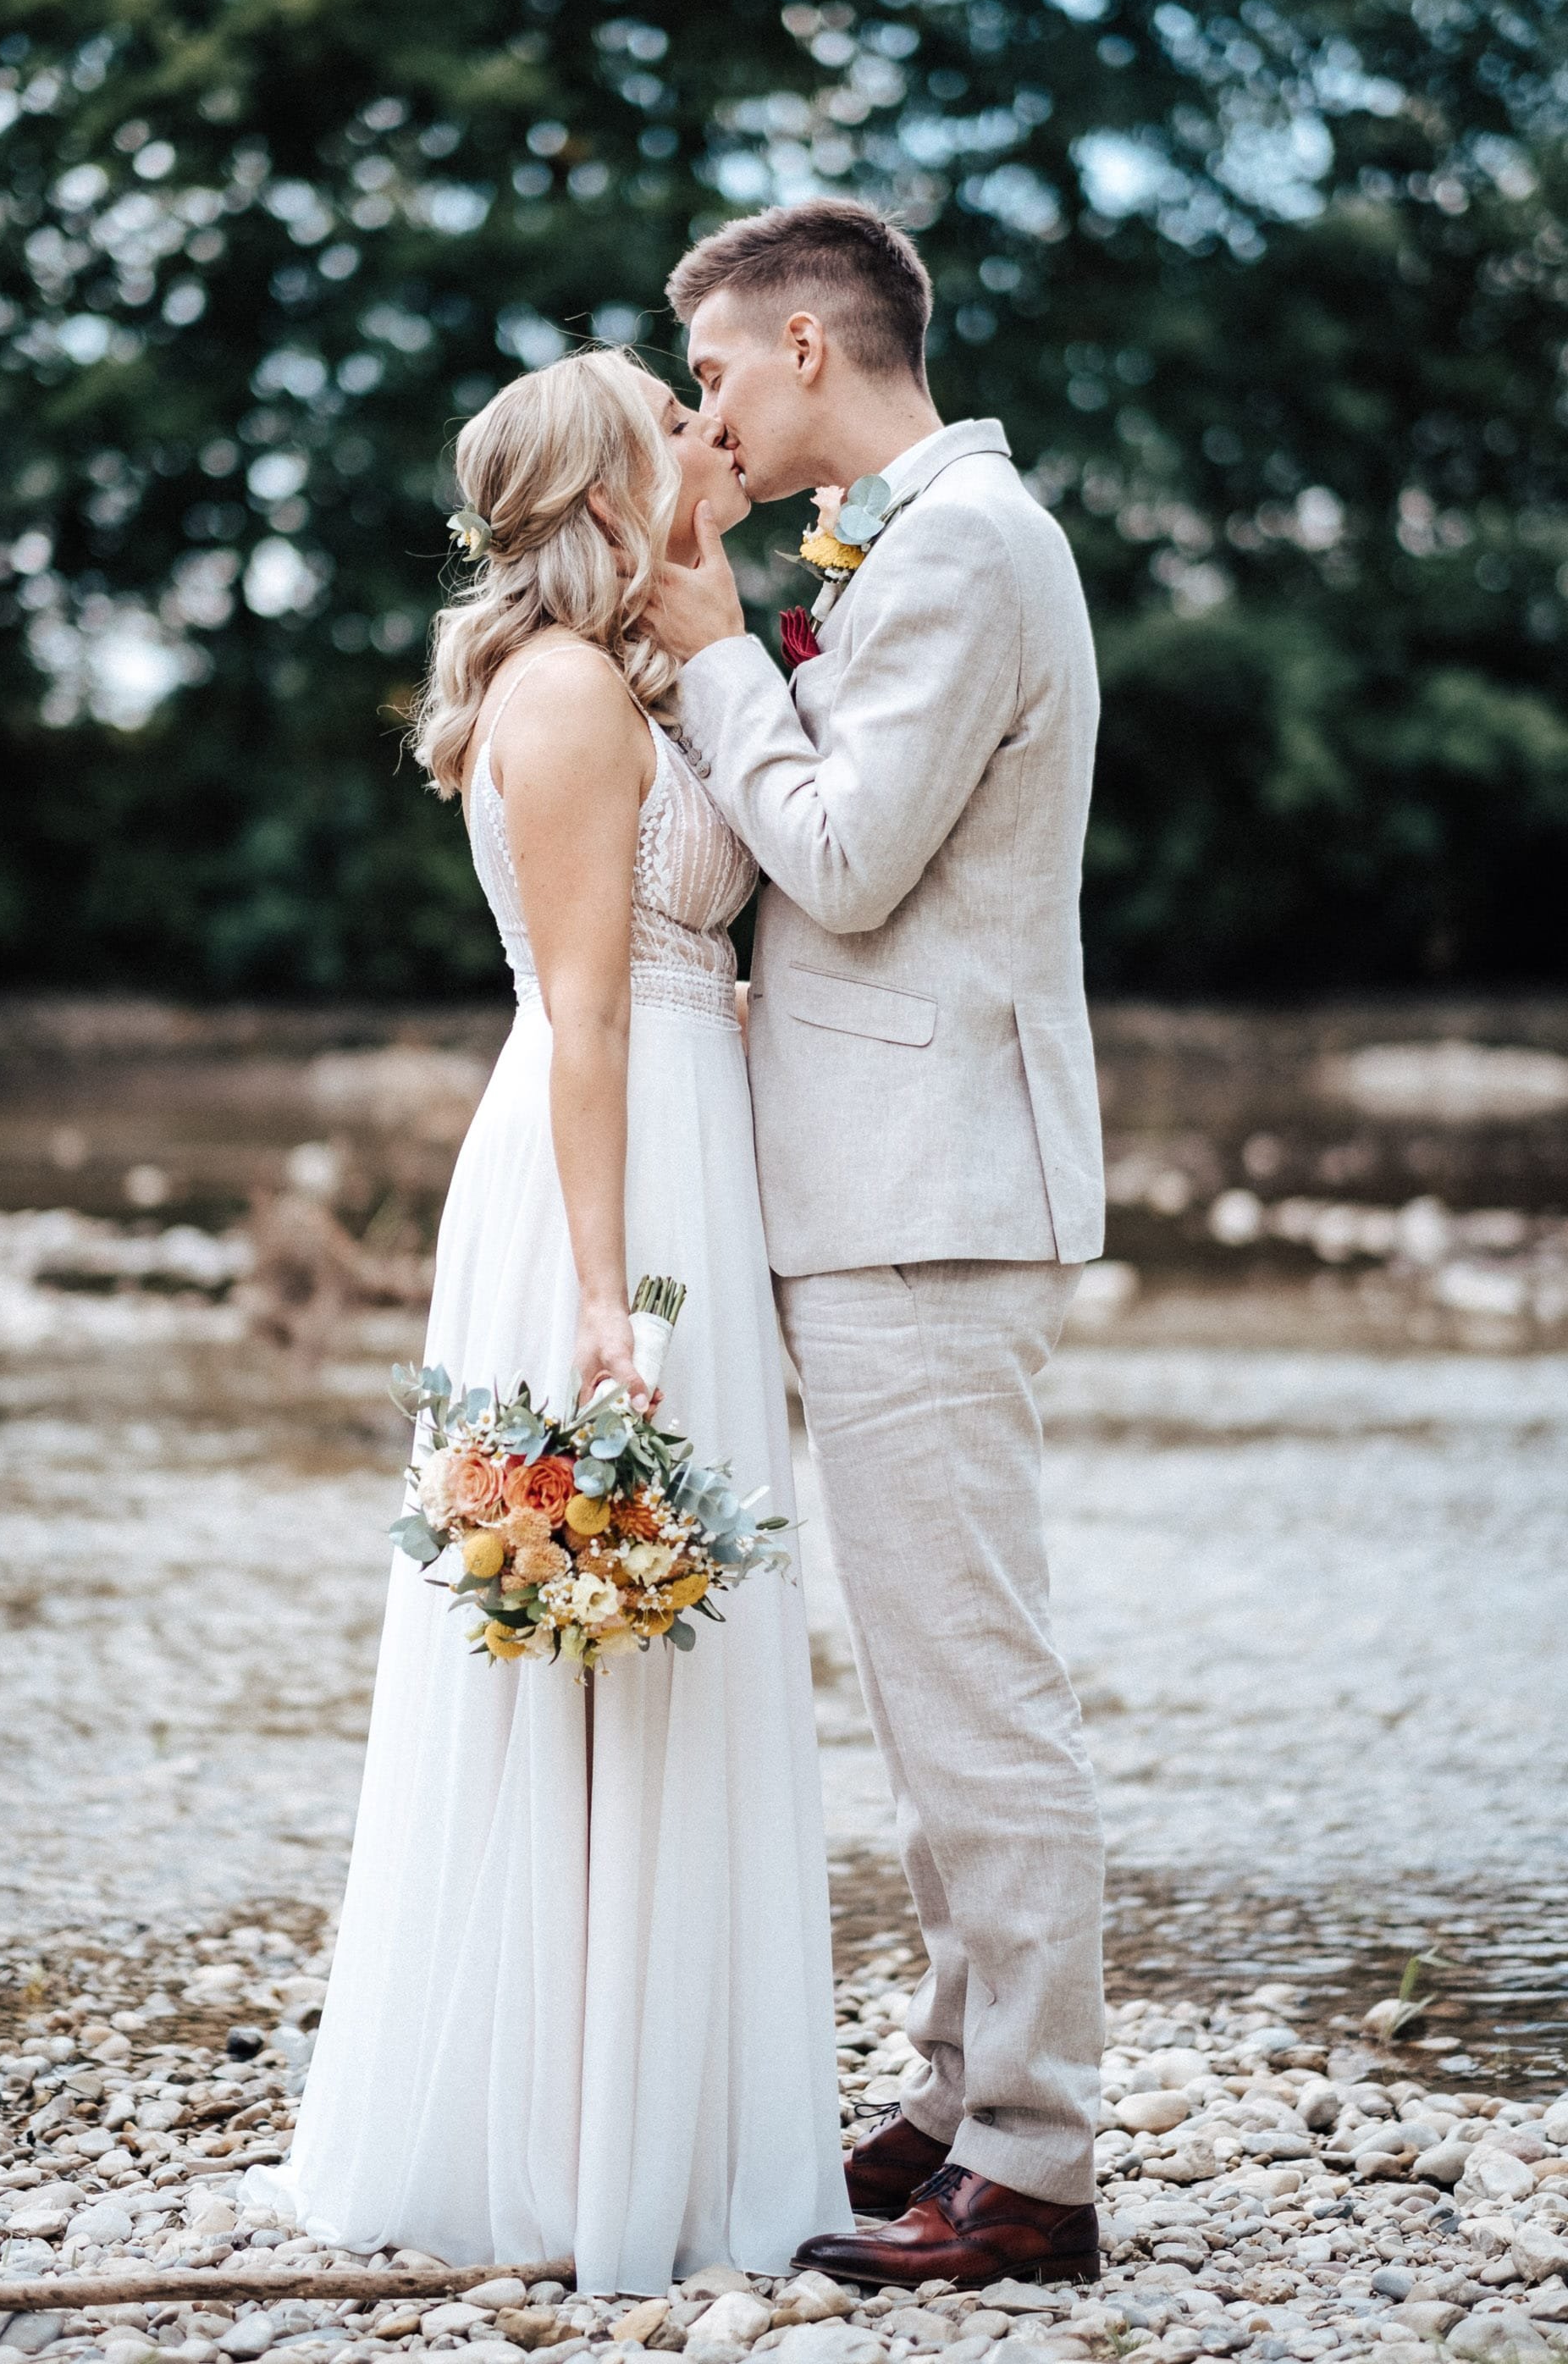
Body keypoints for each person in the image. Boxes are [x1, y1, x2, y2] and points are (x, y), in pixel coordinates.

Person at [254, 347, 848, 2293]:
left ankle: (646, 2115)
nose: (706, 438)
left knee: (661, 1630)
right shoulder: (574, 690)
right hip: (611, 1173)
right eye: (667, 425)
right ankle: (584, 2150)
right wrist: (609, 1299)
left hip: (672, 1142)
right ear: (606, 486)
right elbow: (590, 1012)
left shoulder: (637, 671)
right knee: (608, 1624)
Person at [649, 199, 1108, 2289]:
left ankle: (1031, 2165)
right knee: (929, 1688)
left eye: (721, 370)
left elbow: (836, 862)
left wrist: (722, 646)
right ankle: (949, 2085)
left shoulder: (960, 545)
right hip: (884, 1181)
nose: (707, 412)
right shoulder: (920, 538)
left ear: (814, 345)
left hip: (928, 1191)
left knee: (971, 1692)